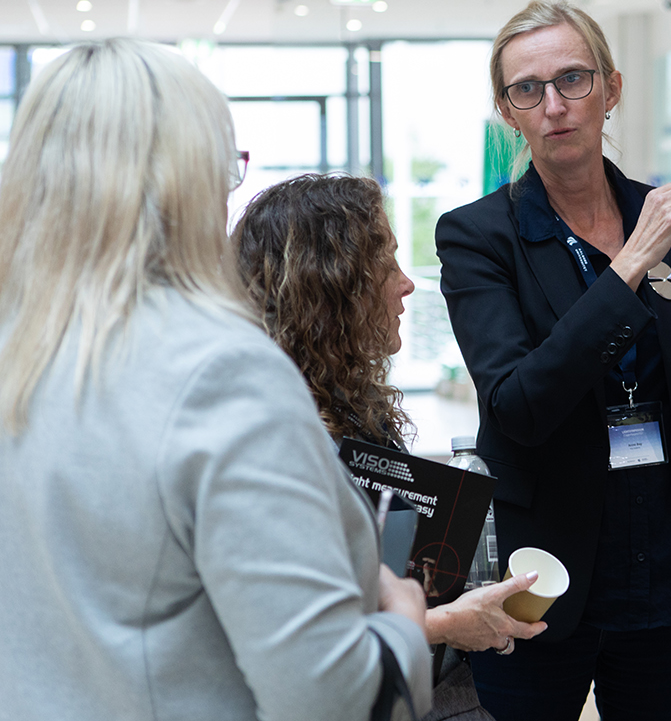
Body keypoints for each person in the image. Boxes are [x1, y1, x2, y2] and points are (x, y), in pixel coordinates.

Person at [0, 39, 431, 720]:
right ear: (188, 183)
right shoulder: (220, 373)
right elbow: (327, 695)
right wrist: (404, 624)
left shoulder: (23, 355)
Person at [435, 0, 671, 720]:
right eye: (528, 89)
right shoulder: (479, 237)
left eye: (572, 79)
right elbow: (518, 406)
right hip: (538, 581)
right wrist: (629, 264)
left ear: (610, 89)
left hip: (670, 575)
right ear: (506, 110)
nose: (554, 105)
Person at [231, 174, 547, 721]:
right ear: (335, 289)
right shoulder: (274, 439)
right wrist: (447, 624)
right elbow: (295, 629)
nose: (407, 284)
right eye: (387, 264)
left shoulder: (353, 409)